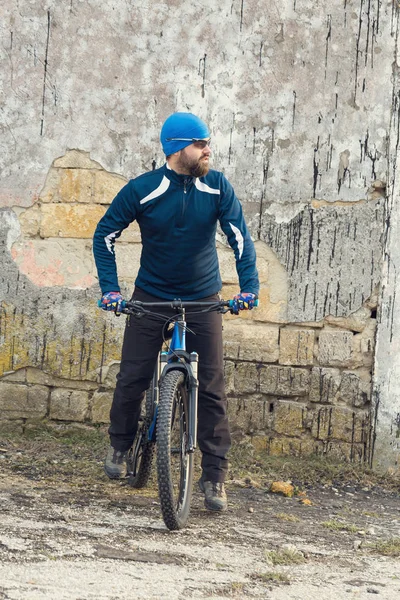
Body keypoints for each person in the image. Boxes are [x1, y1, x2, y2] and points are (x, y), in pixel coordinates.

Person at [93, 112, 259, 512]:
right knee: (132, 375)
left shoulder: (217, 187)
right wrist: (111, 290)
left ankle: (215, 476)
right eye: (200, 143)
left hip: (203, 296)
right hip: (151, 295)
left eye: (207, 142)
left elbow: (239, 237)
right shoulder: (143, 189)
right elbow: (105, 235)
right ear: (177, 149)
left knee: (213, 386)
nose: (208, 149)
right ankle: (120, 445)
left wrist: (249, 287)